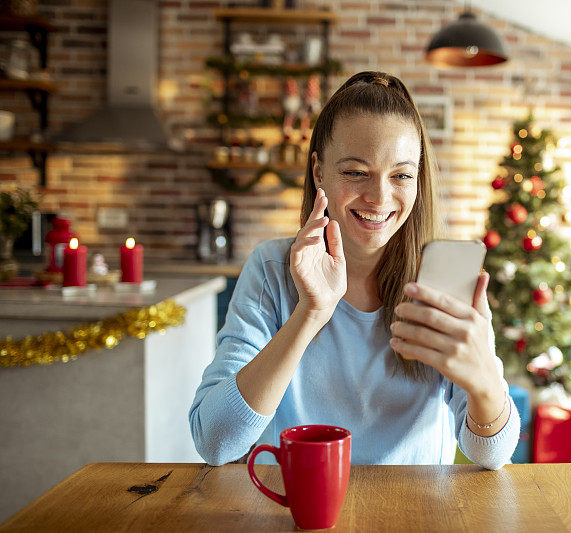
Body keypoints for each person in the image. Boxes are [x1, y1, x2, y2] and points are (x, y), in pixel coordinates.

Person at [189, 71, 520, 470]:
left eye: (401, 175)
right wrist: (310, 313)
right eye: (355, 172)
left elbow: (492, 454)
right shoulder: (273, 270)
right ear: (318, 172)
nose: (380, 197)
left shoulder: (438, 283)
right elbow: (215, 441)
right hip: (297, 514)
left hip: (413, 514)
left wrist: (485, 380)